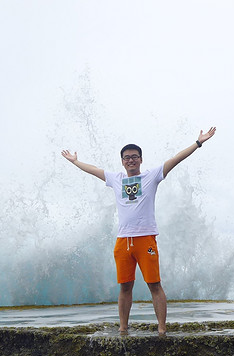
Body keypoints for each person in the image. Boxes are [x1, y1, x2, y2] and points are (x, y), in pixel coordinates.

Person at [61, 127, 216, 335]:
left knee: (155, 285)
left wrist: (198, 143)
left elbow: (175, 159)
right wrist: (75, 161)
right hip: (123, 241)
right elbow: (93, 169)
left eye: (134, 157)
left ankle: (162, 329)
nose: (130, 160)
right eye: (127, 158)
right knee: (125, 287)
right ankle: (123, 328)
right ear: (122, 161)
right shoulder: (116, 179)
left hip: (145, 239)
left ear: (141, 160)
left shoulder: (151, 177)